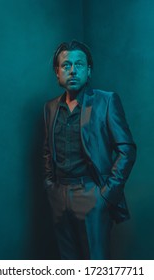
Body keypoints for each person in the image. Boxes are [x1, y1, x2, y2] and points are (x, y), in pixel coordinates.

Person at [43, 40, 136, 260]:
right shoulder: (50, 107)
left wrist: (105, 195)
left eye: (79, 65)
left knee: (96, 265)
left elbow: (127, 150)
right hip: (58, 195)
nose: (73, 70)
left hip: (91, 194)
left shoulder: (106, 101)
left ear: (88, 70)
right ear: (57, 72)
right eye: (66, 65)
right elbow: (48, 150)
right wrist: (50, 185)